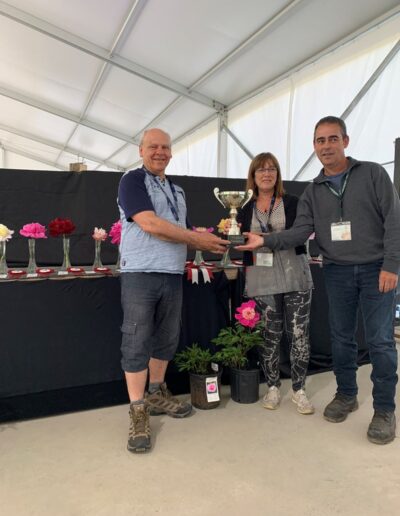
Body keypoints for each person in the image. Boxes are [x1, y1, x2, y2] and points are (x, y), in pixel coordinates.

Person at [237, 116, 400, 444]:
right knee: (341, 339)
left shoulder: (372, 174)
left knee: (381, 341)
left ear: (345, 141)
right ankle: (346, 395)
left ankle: (384, 409)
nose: (326, 146)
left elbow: (394, 218)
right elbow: (300, 231)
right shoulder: (312, 190)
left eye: (332, 139)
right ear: (314, 147)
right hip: (337, 270)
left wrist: (392, 265)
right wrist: (264, 241)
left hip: (375, 270)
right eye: (320, 141)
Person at [117, 128, 228, 453]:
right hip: (140, 271)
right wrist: (198, 240)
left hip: (171, 272)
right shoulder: (132, 181)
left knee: (167, 336)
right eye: (153, 146)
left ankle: (155, 392)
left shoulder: (176, 189)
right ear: (141, 150)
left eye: (165, 147)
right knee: (136, 337)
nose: (160, 152)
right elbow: (150, 224)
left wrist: (220, 240)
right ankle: (138, 410)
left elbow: (181, 230)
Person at [236, 152, 314, 414]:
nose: (266, 174)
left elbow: (299, 234)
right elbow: (239, 242)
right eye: (261, 170)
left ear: (278, 174)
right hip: (262, 276)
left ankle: (299, 390)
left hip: (295, 273)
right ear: (253, 176)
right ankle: (272, 386)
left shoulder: (293, 202)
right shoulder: (244, 208)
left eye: (272, 169)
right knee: (270, 335)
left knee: (299, 334)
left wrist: (267, 238)